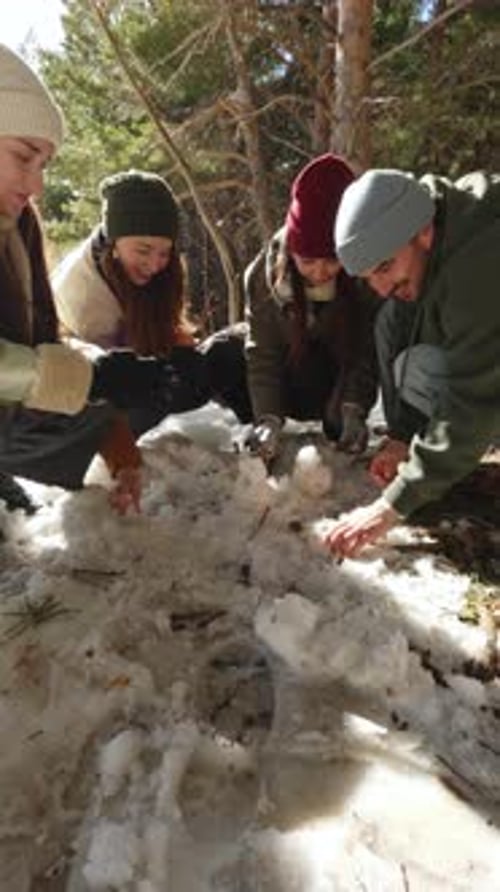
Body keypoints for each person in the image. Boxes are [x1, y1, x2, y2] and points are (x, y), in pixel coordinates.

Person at [0, 44, 179, 515]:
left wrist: (120, 445)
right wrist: (93, 377)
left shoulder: (20, 225)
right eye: (23, 157)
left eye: (44, 166)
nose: (36, 186)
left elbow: (43, 346)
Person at [325, 167, 500, 558]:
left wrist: (393, 506)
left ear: (424, 232)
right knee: (395, 322)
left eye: (385, 267)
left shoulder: (479, 266)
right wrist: (403, 436)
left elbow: (472, 402)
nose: (381, 287)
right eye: (369, 277)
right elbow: (399, 330)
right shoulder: (431, 224)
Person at [52, 169, 253, 435]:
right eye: (143, 250)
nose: (155, 264)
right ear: (114, 242)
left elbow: (169, 335)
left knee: (234, 346)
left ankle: (255, 428)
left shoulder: (141, 266)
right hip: (96, 406)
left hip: (145, 377)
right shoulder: (84, 297)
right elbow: (107, 385)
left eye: (164, 253)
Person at [243, 153, 379, 465]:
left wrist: (353, 408)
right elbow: (263, 353)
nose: (319, 272)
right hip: (288, 376)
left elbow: (367, 352)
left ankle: (339, 418)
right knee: (223, 351)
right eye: (307, 261)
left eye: (332, 260)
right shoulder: (263, 276)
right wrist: (267, 418)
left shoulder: (368, 277)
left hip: (336, 380)